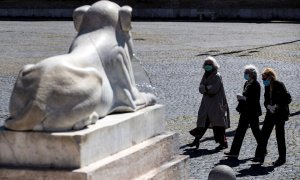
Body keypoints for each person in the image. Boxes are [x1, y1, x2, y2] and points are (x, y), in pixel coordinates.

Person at [189, 56, 230, 150]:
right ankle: (196, 140)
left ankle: (223, 142)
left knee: (218, 125)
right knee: (202, 122)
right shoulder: (206, 74)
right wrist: (207, 88)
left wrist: (205, 88)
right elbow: (201, 88)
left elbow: (213, 89)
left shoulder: (217, 76)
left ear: (213, 65)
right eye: (206, 64)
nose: (207, 66)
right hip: (206, 104)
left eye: (209, 64)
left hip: (216, 104)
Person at [253, 68, 292, 166]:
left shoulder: (279, 84)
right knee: (264, 134)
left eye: (264, 78)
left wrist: (277, 105)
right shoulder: (266, 87)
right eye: (262, 78)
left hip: (280, 114)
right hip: (270, 113)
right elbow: (266, 100)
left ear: (270, 77)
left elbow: (288, 98)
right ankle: (259, 156)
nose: (263, 80)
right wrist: (268, 106)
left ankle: (282, 158)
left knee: (280, 136)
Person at [224, 64, 262, 158]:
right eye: (245, 72)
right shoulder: (247, 83)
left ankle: (263, 149)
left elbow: (254, 100)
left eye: (246, 73)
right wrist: (241, 98)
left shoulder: (256, 85)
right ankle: (234, 152)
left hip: (252, 112)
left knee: (256, 132)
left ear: (252, 74)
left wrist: (243, 98)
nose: (245, 74)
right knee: (240, 132)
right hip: (245, 111)